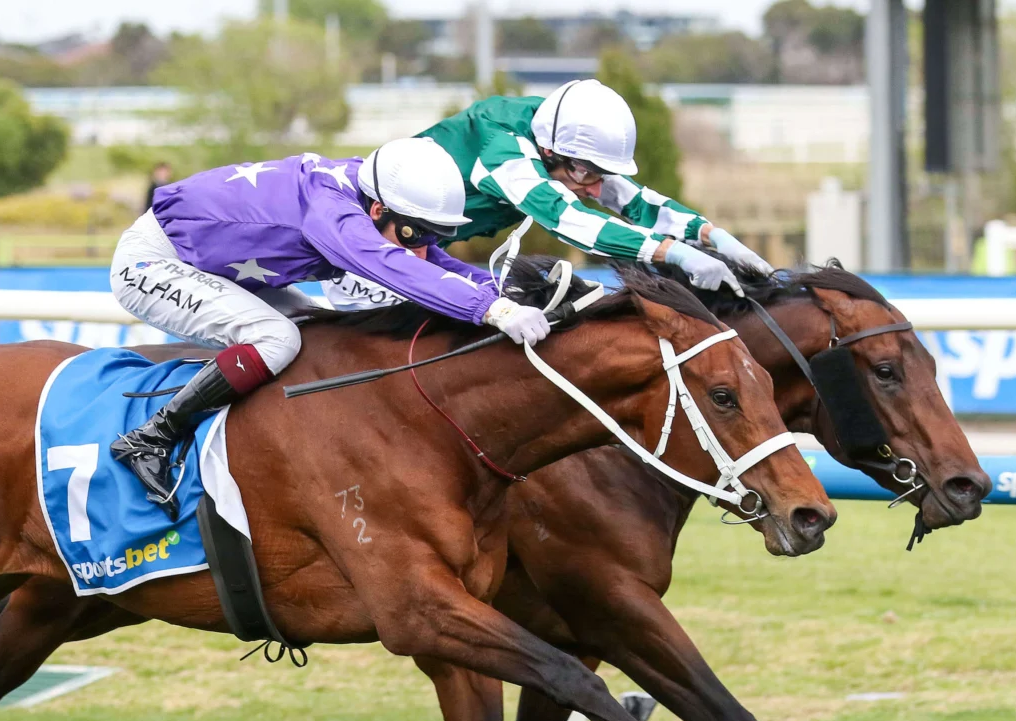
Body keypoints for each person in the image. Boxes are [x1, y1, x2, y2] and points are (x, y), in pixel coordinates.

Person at [108, 137, 551, 517]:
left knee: (322, 333)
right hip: (154, 262)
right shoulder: (332, 212)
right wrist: (491, 310)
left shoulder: (375, 200)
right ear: (377, 209)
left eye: (430, 235)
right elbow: (396, 269)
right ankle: (152, 437)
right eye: (415, 234)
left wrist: (513, 291)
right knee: (277, 339)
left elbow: (433, 263)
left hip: (219, 267)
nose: (422, 248)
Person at [417, 78, 772, 293]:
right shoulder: (503, 151)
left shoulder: (558, 136)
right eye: (587, 175)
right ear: (548, 152)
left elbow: (633, 199)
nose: (594, 189)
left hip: (425, 246)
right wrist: (675, 253)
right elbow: (571, 221)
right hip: (387, 238)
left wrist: (712, 236)